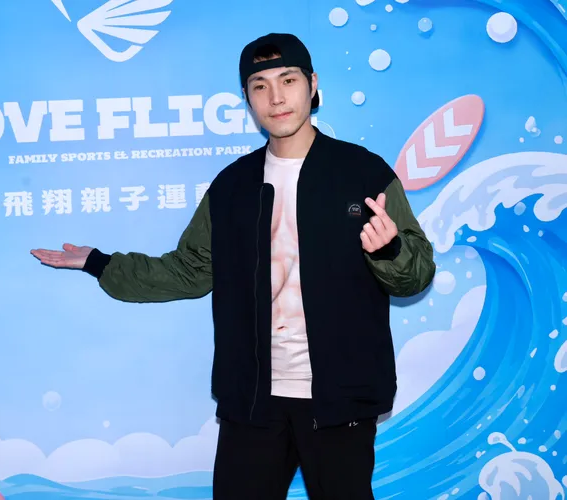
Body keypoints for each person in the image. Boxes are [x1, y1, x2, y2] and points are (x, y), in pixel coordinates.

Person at [31, 33, 435, 500]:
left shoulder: (363, 173)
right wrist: (98, 263)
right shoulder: (232, 186)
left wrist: (388, 251)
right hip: (253, 397)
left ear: (312, 84)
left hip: (341, 397)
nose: (276, 97)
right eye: (260, 86)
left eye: (288, 80)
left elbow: (417, 273)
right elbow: (189, 269)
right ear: (247, 98)